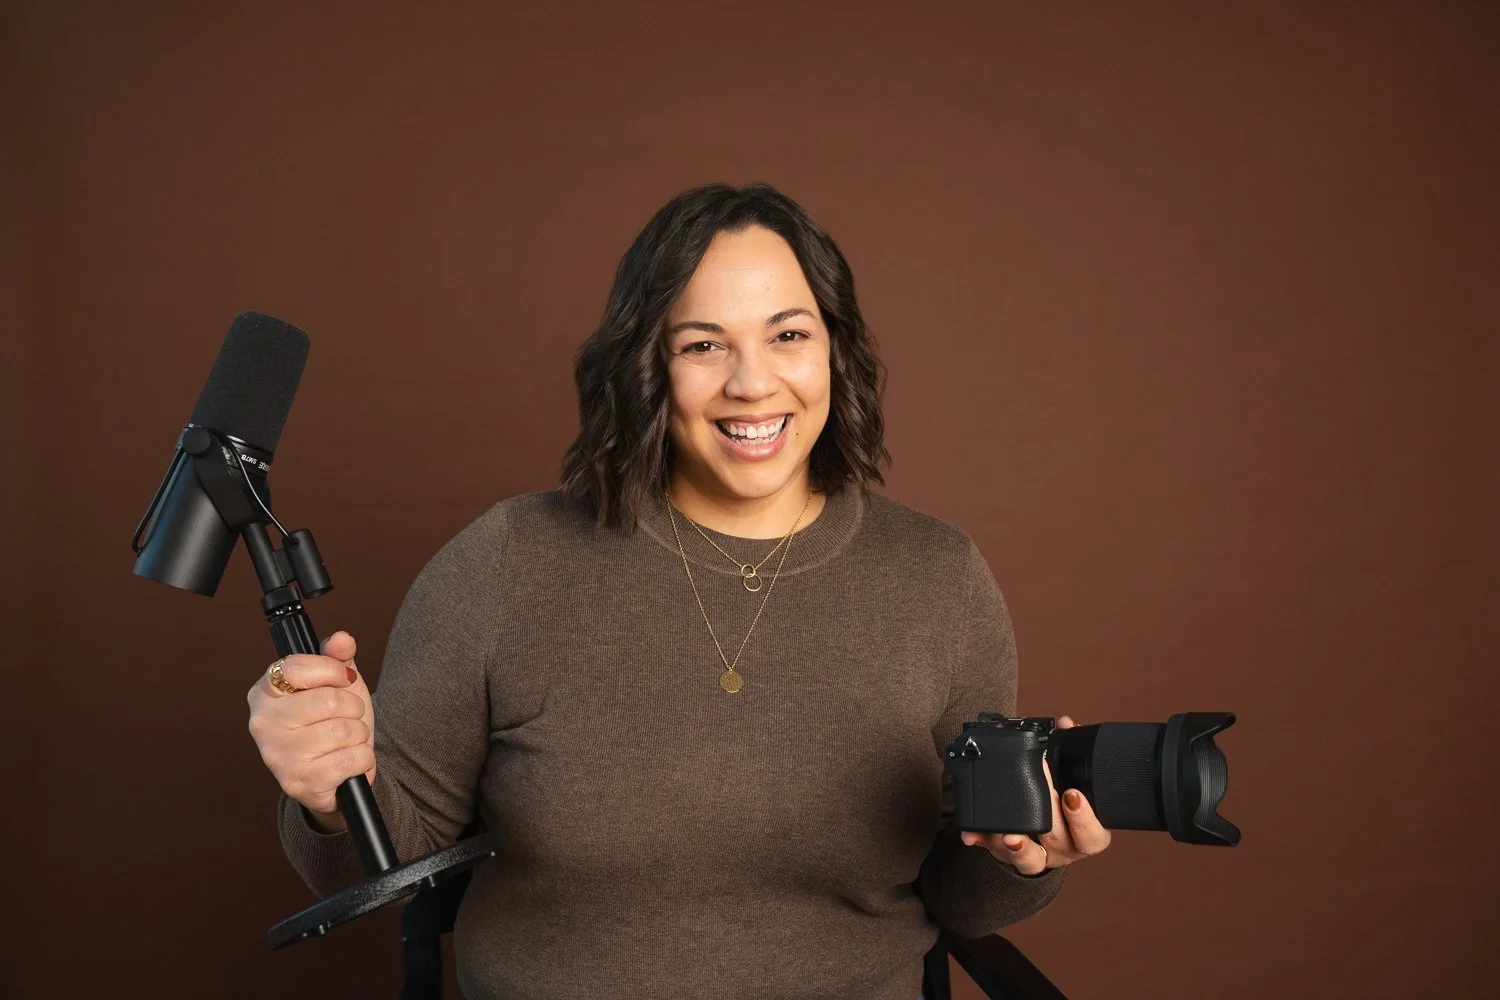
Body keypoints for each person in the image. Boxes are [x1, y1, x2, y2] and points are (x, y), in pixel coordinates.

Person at [246, 183, 1111, 1000]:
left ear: (835, 349)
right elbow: (377, 868)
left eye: (788, 335)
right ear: (645, 366)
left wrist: (1018, 859)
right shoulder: (505, 564)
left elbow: (963, 901)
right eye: (703, 344)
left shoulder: (939, 579)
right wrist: (326, 791)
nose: (751, 383)